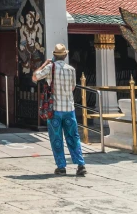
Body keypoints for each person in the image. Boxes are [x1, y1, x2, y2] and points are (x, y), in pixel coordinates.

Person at [33, 43, 86, 177]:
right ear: (65, 55)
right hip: (69, 108)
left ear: (54, 56)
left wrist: (44, 64)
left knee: (56, 138)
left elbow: (35, 77)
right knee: (73, 136)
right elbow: (73, 87)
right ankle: (80, 164)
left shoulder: (51, 68)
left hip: (55, 110)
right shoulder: (71, 70)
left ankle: (61, 167)